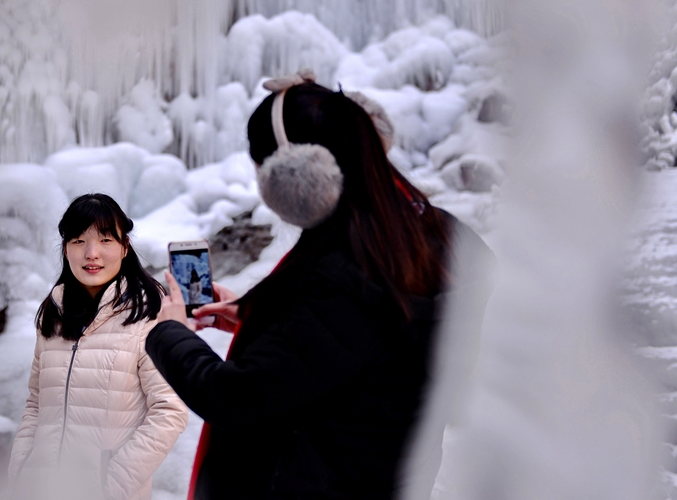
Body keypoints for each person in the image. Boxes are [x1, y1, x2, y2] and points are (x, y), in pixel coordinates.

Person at [145, 72, 491, 499]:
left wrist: (168, 331)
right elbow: (353, 351)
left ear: (298, 178)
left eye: (263, 169)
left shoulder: (342, 277)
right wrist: (260, 315)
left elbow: (232, 397)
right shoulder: (430, 233)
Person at [7, 193, 189, 500]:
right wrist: (20, 472)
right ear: (65, 249)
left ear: (125, 247)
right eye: (79, 241)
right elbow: (36, 403)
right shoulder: (54, 312)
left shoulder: (148, 312)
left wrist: (111, 486)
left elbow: (169, 411)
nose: (92, 253)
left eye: (105, 240)